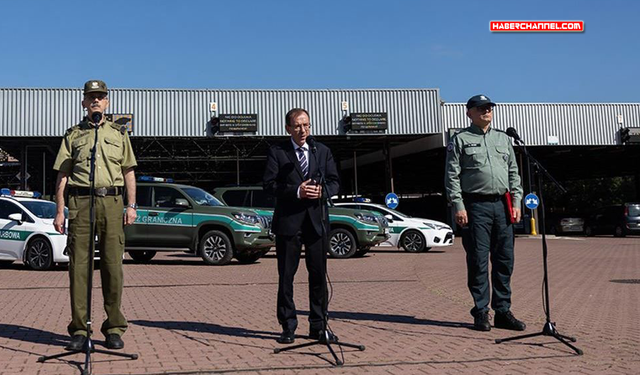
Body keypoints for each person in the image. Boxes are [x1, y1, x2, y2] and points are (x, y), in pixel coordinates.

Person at [52, 80, 138, 350]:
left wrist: (132, 205)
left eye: (100, 97)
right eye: (91, 97)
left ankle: (113, 327)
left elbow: (128, 172)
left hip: (112, 202)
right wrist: (59, 211)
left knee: (113, 266)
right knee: (79, 269)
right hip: (80, 203)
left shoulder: (119, 134)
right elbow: (63, 175)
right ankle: (79, 329)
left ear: (107, 102)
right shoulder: (73, 135)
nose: (96, 101)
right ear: (84, 103)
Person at [444, 94, 526, 332]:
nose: (486, 111)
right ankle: (481, 312)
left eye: (489, 108)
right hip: (475, 206)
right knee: (478, 261)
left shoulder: (503, 138)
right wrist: (458, 206)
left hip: (502, 205)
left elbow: (513, 173)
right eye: (480, 108)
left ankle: (503, 312)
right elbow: (452, 176)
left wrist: (517, 202)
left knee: (504, 260)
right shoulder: (460, 140)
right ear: (469, 112)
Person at [263, 108, 340, 344]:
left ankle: (319, 326)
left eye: (306, 125)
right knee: (287, 276)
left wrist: (322, 192)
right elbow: (269, 186)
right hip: (289, 224)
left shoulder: (322, 151)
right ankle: (288, 326)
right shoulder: (278, 153)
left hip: (316, 224)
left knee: (318, 275)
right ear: (288, 128)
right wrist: (297, 191)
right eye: (297, 126)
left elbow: (335, 182)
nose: (303, 130)